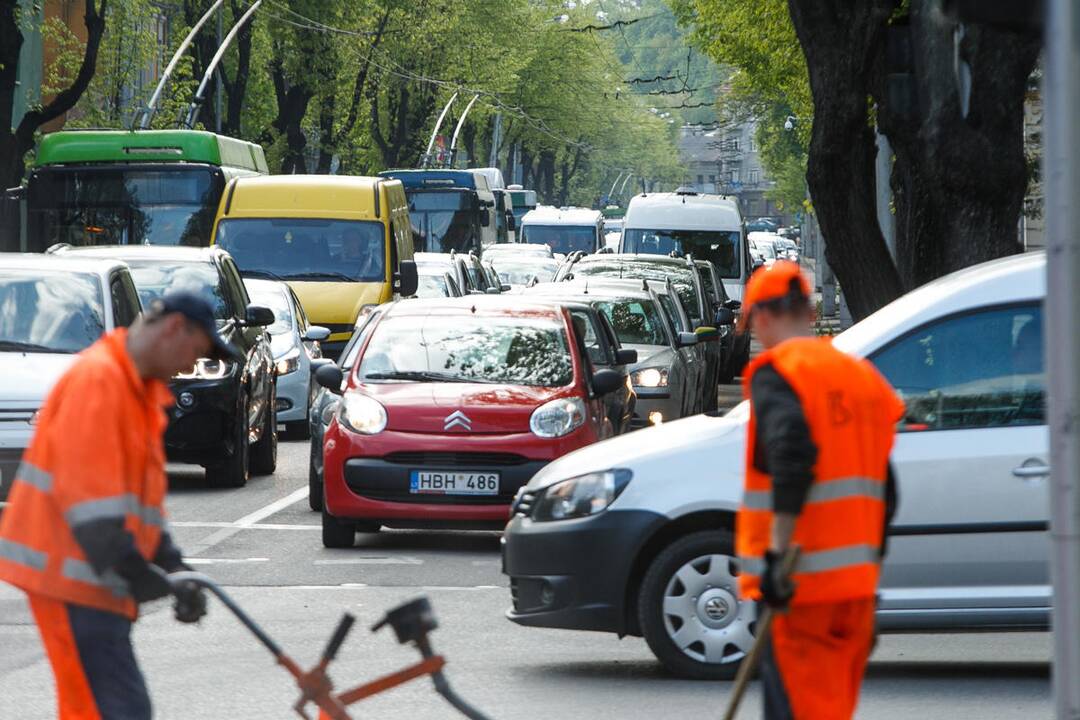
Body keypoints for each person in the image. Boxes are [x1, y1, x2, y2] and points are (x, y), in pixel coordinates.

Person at [0, 291, 241, 719]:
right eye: (195, 352)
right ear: (172, 329)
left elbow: (139, 508)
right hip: (72, 579)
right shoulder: (100, 384)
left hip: (90, 580)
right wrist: (144, 576)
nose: (190, 367)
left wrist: (174, 566)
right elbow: (92, 512)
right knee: (115, 710)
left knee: (103, 709)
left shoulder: (136, 391)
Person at [736, 261, 905, 719]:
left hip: (800, 593)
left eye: (752, 322)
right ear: (809, 312)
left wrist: (777, 558)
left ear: (764, 317)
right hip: (854, 595)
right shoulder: (861, 378)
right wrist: (867, 570)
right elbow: (886, 490)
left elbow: (792, 458)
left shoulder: (780, 373)